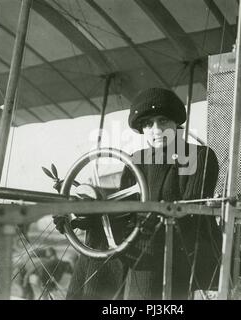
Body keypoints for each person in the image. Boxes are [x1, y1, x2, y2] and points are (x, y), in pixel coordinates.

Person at [54, 87, 222, 300]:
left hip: (181, 243)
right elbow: (125, 208)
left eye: (162, 121)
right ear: (142, 129)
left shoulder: (199, 156)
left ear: (175, 123)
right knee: (99, 238)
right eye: (148, 124)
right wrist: (83, 216)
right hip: (143, 238)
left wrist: (148, 221)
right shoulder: (136, 159)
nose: (156, 129)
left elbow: (191, 212)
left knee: (144, 248)